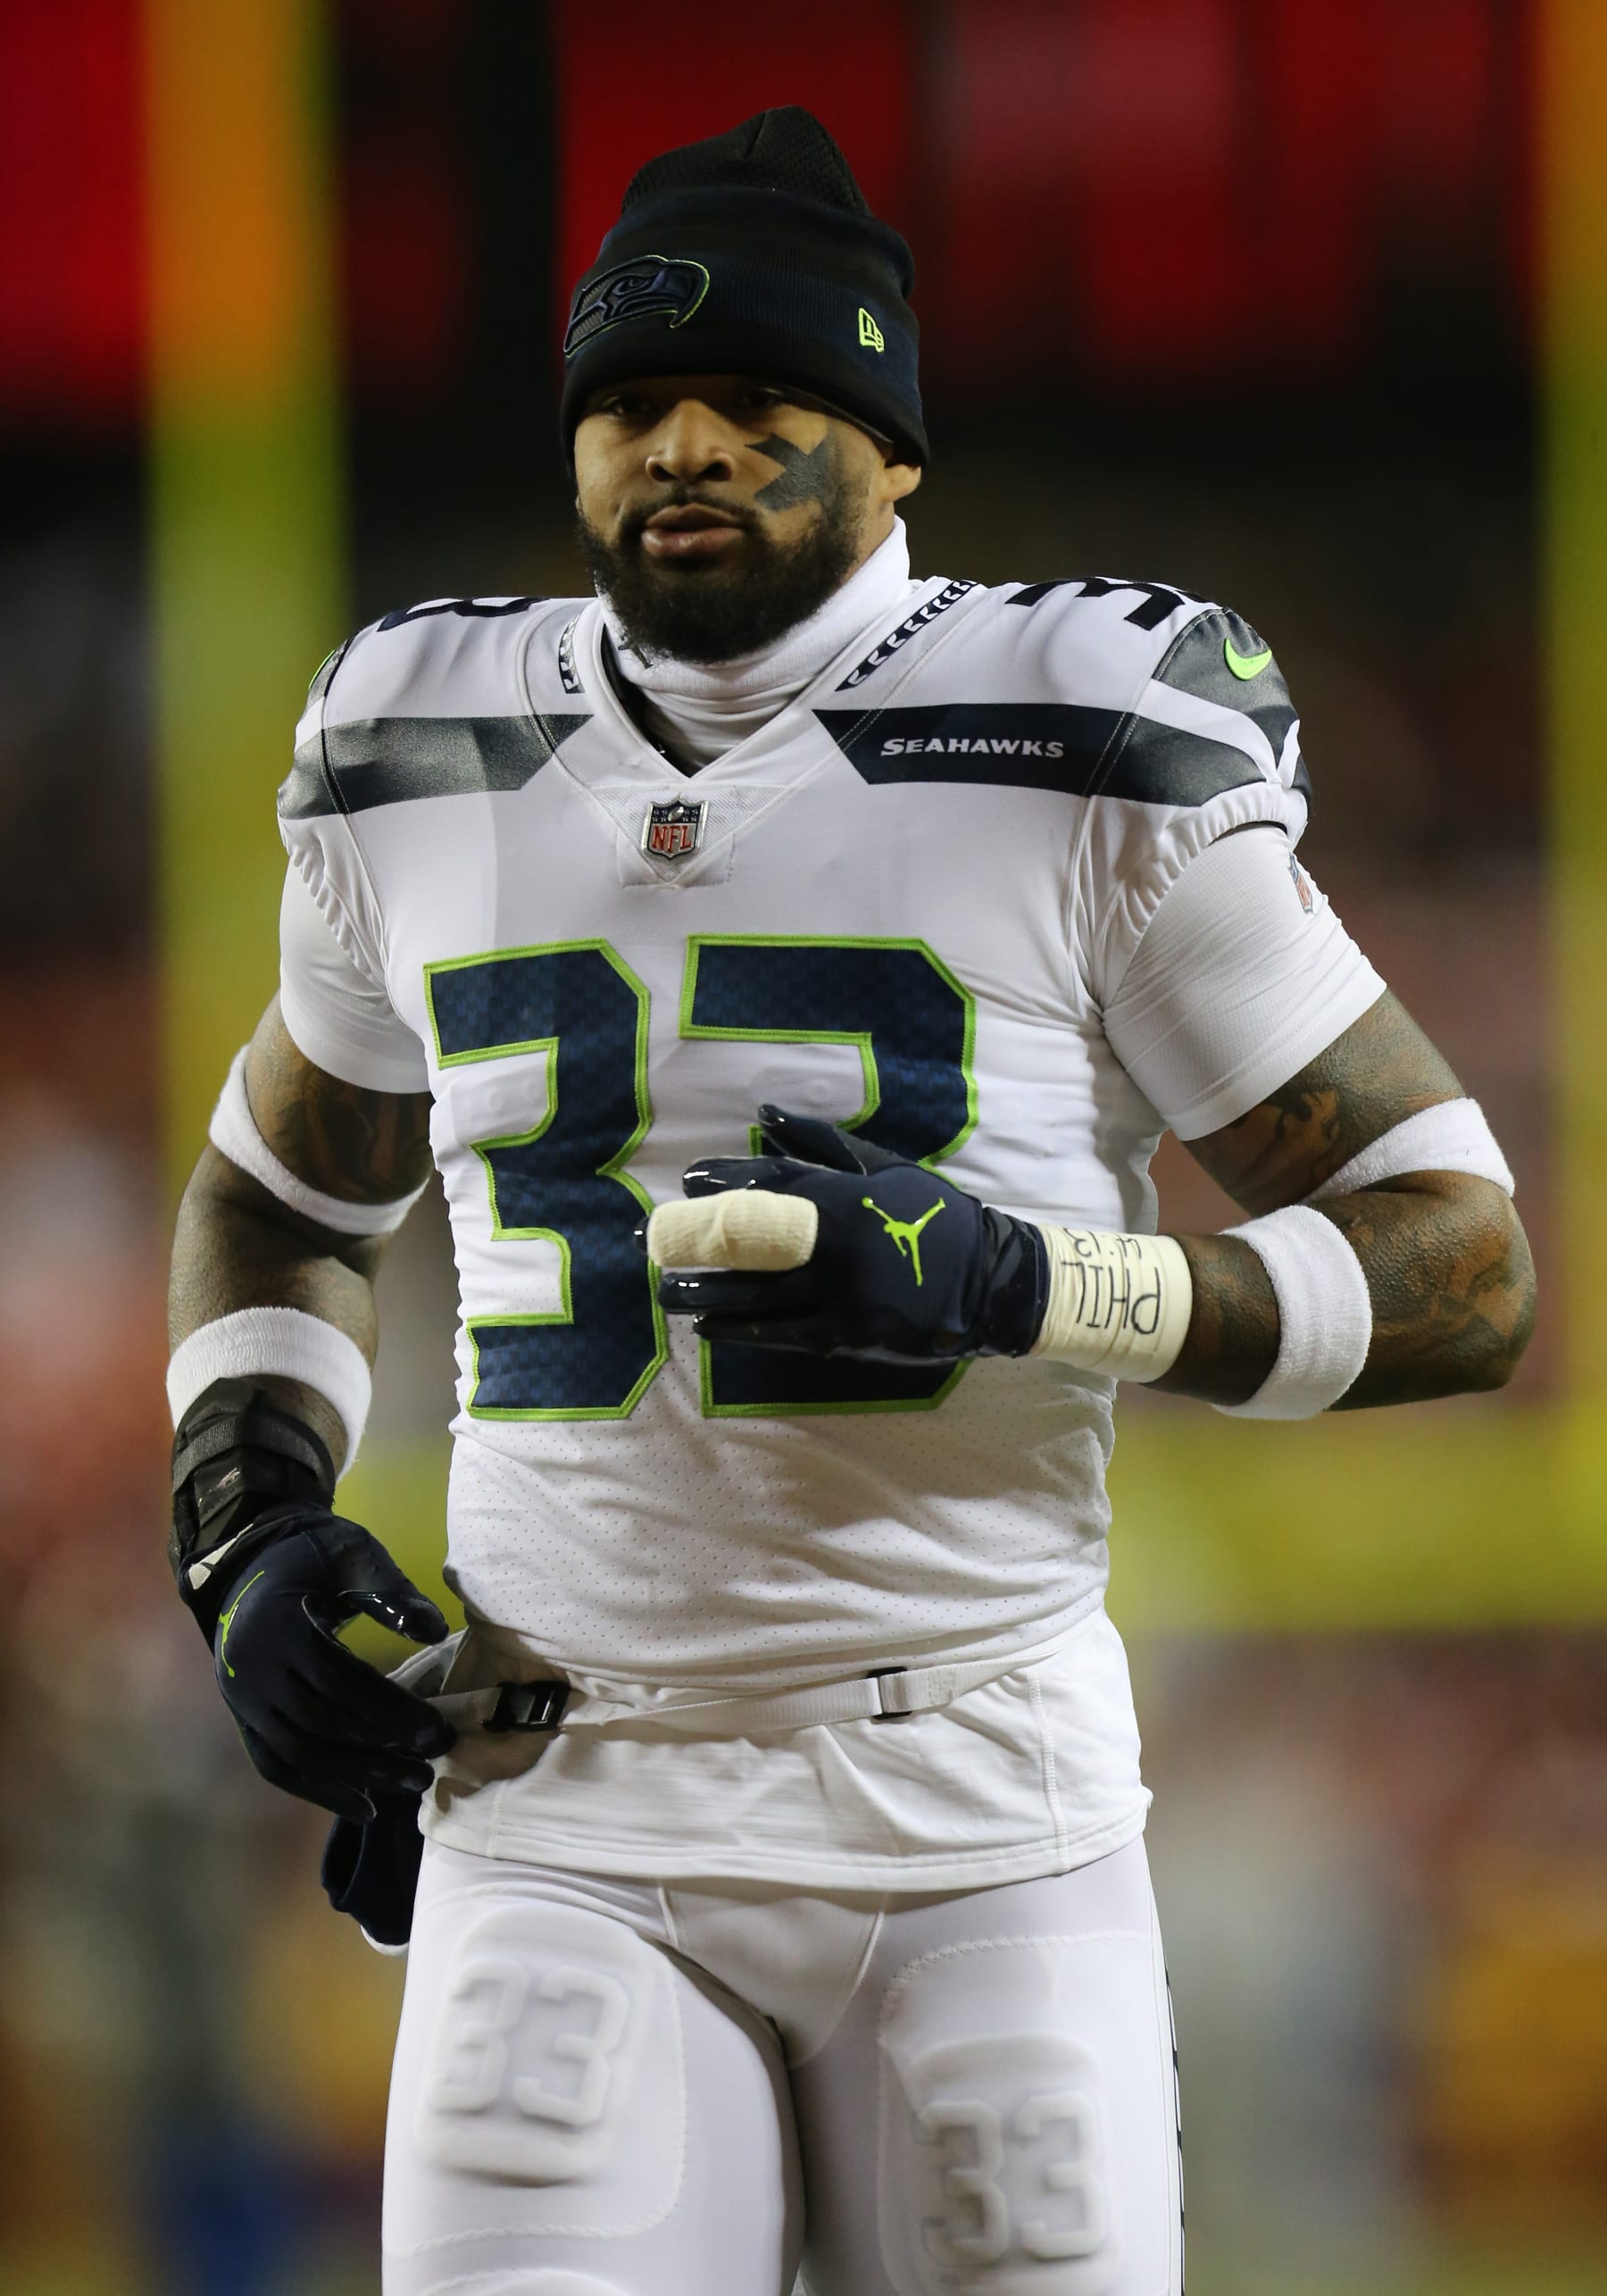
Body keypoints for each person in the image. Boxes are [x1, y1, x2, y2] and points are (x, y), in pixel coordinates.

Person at [165, 107, 1535, 2296]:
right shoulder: (418, 744)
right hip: (562, 1785)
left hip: (977, 1789)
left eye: (759, 398)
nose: (684, 444)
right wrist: (243, 1512)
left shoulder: (1080, 731)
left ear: (893, 446)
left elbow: (1461, 1258)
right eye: (631, 400)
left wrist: (1026, 1282)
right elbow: (276, 1189)